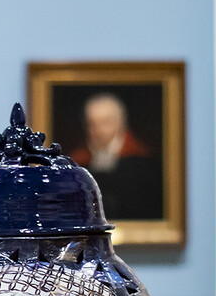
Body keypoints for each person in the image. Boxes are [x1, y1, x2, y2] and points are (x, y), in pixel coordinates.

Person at [68, 91, 162, 221]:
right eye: (92, 124)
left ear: (120, 123)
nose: (98, 130)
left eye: (105, 122)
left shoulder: (144, 162)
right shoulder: (78, 162)